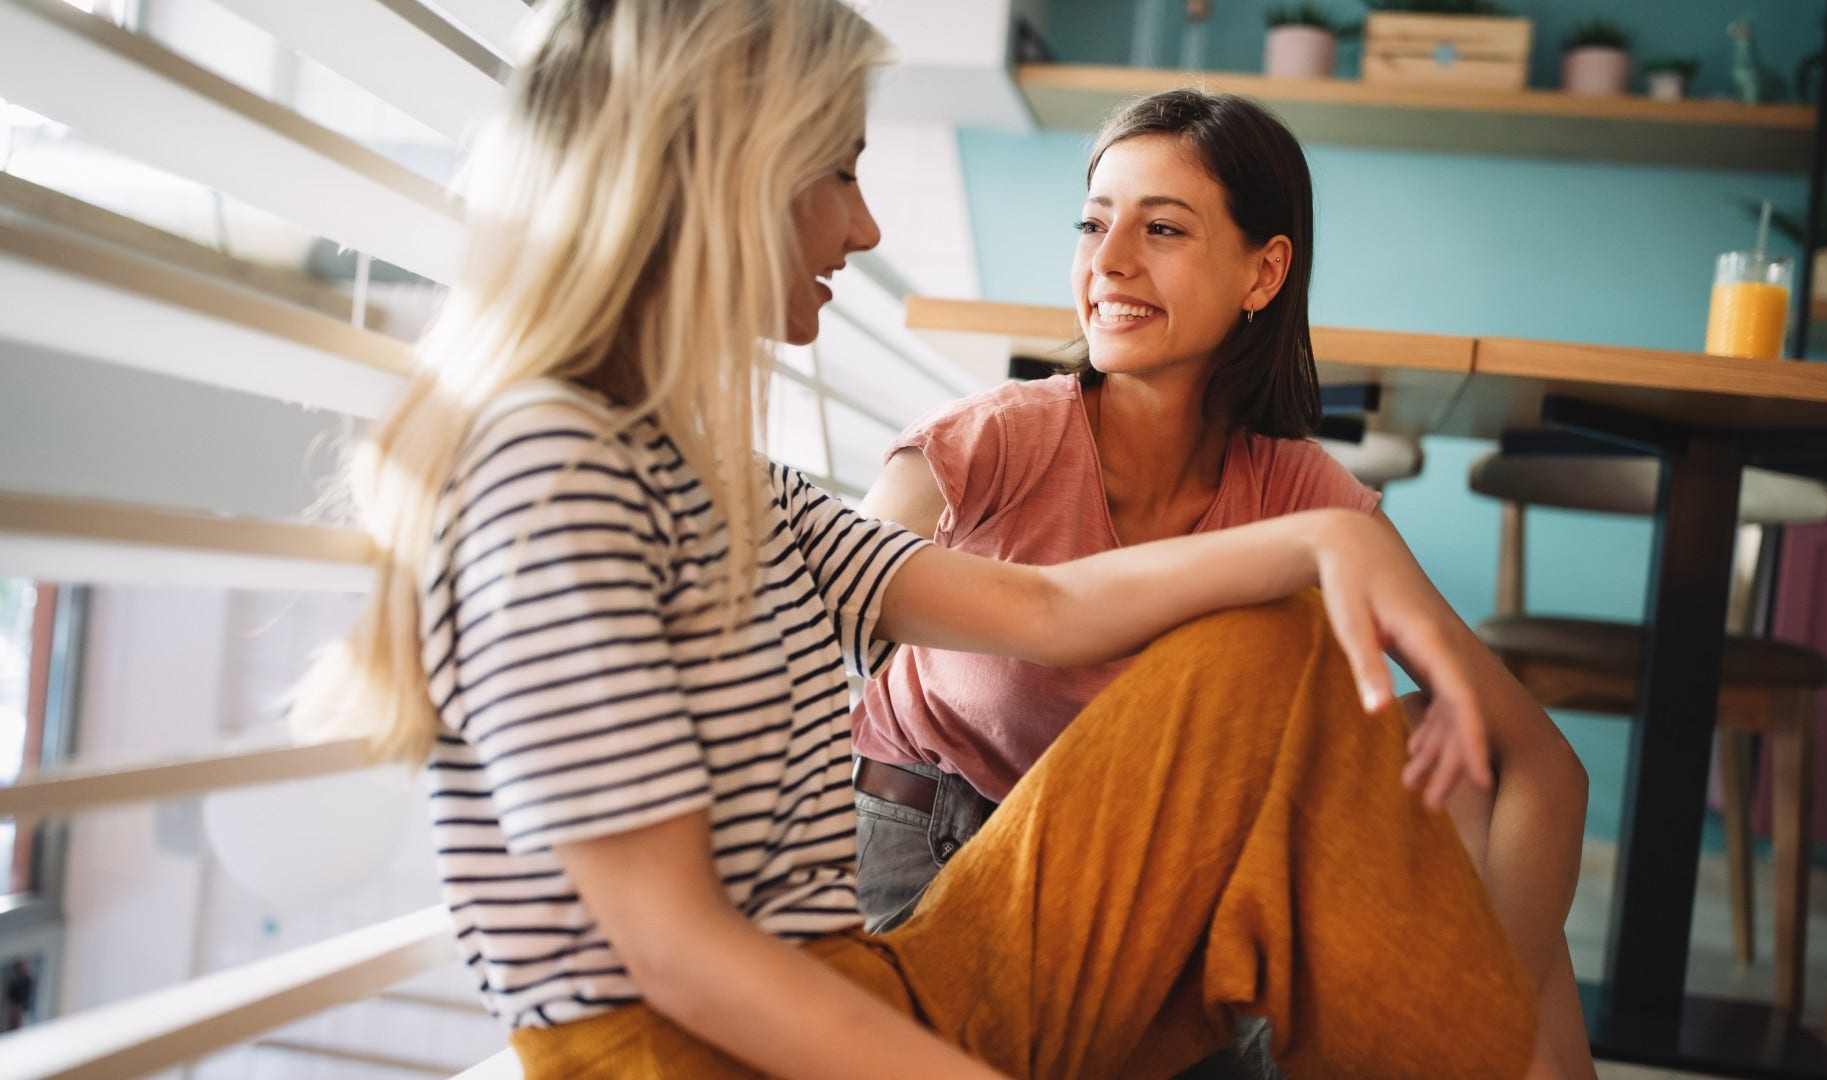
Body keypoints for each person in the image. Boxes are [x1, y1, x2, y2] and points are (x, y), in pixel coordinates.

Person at [291, 1, 1547, 1076]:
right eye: (838, 170)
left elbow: (1051, 611)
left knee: (1277, 663)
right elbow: (673, 952)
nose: (866, 227)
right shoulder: (549, 471)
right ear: (728, 174)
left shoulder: (723, 479)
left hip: (868, 980)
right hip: (697, 1053)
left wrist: (1328, 550)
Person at [850, 90, 1596, 1080]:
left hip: (1156, 906)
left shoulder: (1300, 494)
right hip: (936, 877)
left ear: (1264, 270)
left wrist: (1478, 986)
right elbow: (811, 617)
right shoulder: (995, 441)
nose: (1109, 260)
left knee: (1439, 765)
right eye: (1094, 221)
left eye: (1160, 227)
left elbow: (1539, 762)